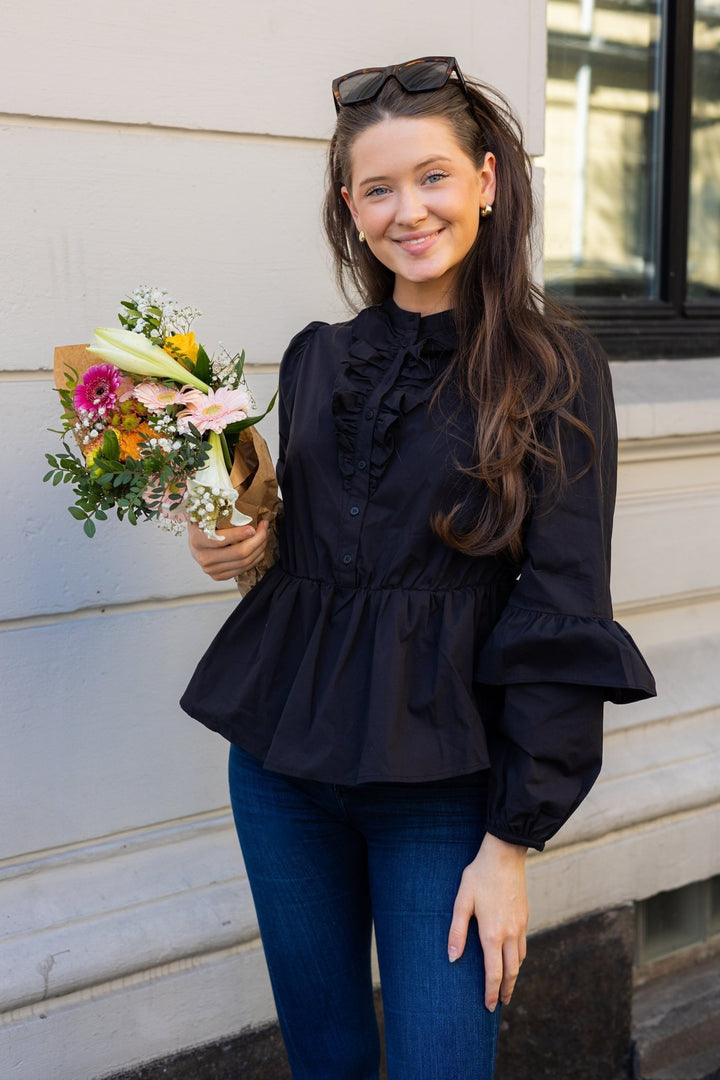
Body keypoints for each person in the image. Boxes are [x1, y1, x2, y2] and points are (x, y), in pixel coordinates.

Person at [180, 57, 656, 1080]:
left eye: (433, 177)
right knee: (327, 1061)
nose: (410, 210)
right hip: (280, 771)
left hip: (445, 792)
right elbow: (305, 553)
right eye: (379, 189)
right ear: (351, 207)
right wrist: (237, 547)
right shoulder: (313, 356)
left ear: (487, 179)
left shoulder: (555, 367)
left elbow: (565, 606)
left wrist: (512, 842)